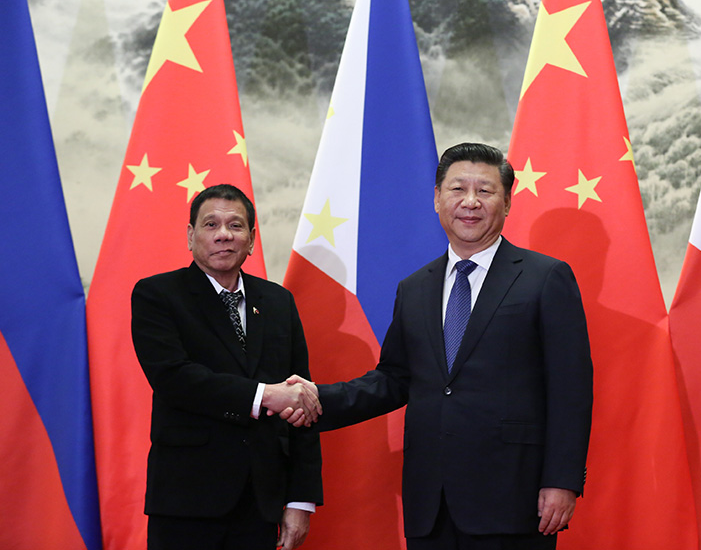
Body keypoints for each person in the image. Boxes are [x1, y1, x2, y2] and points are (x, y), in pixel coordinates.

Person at [286, 143, 593, 549]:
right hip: (431, 502)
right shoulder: (415, 288)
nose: (470, 202)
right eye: (457, 189)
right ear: (436, 199)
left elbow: (570, 388)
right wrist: (316, 398)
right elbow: (394, 379)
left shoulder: (545, 277)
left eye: (484, 191)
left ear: (507, 202)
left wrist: (562, 480)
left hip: (513, 497)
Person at [131, 184, 323, 550]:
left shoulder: (279, 302)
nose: (223, 235)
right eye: (211, 225)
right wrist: (265, 395)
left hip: (261, 503)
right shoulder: (158, 295)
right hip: (187, 503)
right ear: (190, 236)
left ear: (251, 239)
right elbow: (175, 379)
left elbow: (302, 401)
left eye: (235, 226)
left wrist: (301, 500)